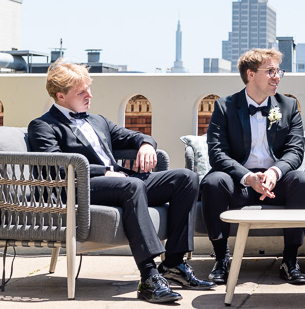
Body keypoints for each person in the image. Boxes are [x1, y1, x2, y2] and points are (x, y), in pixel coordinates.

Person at [28, 60, 213, 304]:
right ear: (60, 96)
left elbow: (134, 136)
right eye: (81, 91)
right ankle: (149, 277)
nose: (89, 95)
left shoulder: (97, 121)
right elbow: (56, 166)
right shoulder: (43, 126)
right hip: (78, 188)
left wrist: (146, 144)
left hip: (118, 183)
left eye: (89, 88)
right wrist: (104, 172)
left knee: (186, 179)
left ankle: (174, 264)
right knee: (132, 185)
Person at [200, 48, 305, 285]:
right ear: (250, 75)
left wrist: (275, 171)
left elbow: (295, 151)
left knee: (302, 181)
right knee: (213, 182)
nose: (277, 77)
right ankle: (221, 258)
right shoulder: (225, 106)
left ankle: (290, 260)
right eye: (270, 71)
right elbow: (217, 153)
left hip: (276, 183)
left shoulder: (289, 106)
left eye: (278, 71)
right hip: (238, 184)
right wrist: (248, 177)